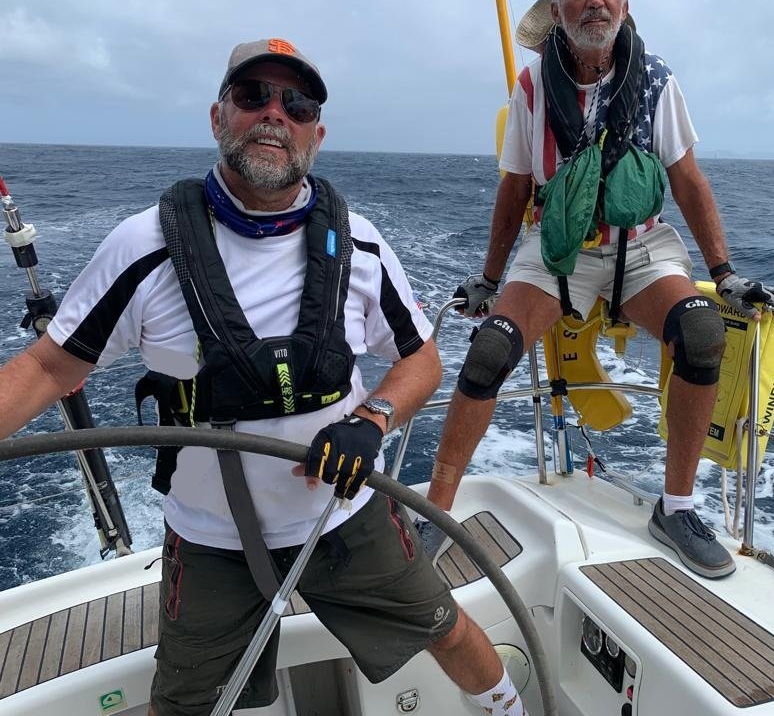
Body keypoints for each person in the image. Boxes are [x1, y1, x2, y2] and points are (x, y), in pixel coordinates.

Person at [0, 38, 527, 716]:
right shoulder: (143, 246)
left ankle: (510, 709)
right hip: (210, 537)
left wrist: (375, 420)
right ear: (220, 117)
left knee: (445, 627)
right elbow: (46, 367)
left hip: (344, 515)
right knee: (185, 701)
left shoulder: (360, 243)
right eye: (254, 96)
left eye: (297, 103)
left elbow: (421, 359)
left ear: (318, 133)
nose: (276, 113)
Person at [416, 0, 774, 580]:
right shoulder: (533, 85)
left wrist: (724, 273)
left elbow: (687, 179)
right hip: (556, 250)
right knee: (489, 353)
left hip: (641, 247)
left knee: (701, 330)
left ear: (624, 3)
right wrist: (489, 278)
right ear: (558, 8)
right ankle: (437, 511)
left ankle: (675, 508)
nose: (596, 0)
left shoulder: (656, 80)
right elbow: (514, 189)